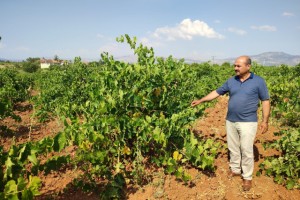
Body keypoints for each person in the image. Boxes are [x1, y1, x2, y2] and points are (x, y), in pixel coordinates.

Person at [191, 55, 270, 191]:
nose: (235, 68)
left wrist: (265, 121)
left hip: (248, 122)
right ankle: (235, 169)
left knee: (246, 149)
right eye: (235, 65)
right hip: (231, 120)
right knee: (233, 147)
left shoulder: (258, 81)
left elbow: (265, 101)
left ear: (248, 66)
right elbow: (216, 92)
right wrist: (201, 100)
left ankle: (247, 177)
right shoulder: (231, 81)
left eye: (238, 66)